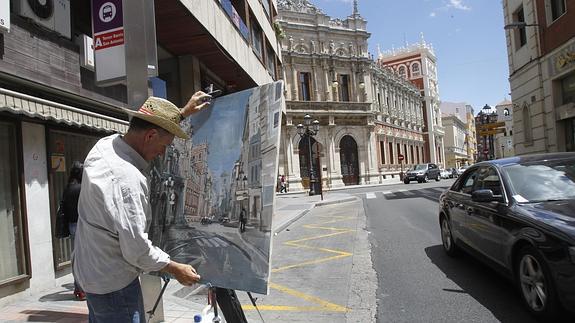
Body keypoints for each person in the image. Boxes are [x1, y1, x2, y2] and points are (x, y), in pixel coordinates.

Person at [73, 91, 211, 323]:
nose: (163, 153)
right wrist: (174, 267)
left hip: (93, 276)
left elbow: (152, 127)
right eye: (165, 145)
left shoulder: (105, 145)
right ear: (150, 136)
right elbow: (136, 250)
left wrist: (181, 114)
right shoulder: (126, 179)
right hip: (114, 287)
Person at [62, 161, 85, 300]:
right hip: (82, 226)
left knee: (77, 258)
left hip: (72, 226)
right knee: (84, 259)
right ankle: (82, 289)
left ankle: (78, 288)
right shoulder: (81, 188)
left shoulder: (68, 188)